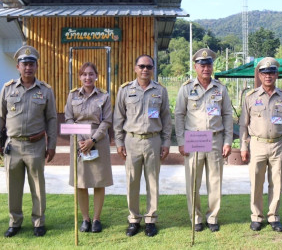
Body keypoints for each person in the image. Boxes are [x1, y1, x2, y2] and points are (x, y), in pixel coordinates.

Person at [0, 45, 57, 238]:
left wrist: (51, 144)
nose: (28, 67)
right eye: (24, 63)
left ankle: (38, 222)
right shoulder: (7, 89)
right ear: (18, 66)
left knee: (38, 185)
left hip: (36, 145)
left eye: (31, 63)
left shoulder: (45, 90)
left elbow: (52, 118)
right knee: (13, 186)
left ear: (36, 66)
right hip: (13, 146)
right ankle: (15, 222)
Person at [174, 48, 233, 232]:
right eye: (202, 65)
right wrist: (181, 141)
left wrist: (228, 141)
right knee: (193, 181)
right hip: (194, 138)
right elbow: (179, 115)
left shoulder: (220, 88)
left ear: (212, 66)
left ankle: (213, 217)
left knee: (215, 181)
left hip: (215, 139)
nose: (206, 68)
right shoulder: (186, 88)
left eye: (208, 64)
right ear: (195, 67)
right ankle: (196, 217)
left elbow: (228, 115)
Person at [113, 54, 172, 237]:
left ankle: (150, 220)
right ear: (135, 68)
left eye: (149, 66)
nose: (145, 69)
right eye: (142, 66)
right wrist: (119, 141)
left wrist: (166, 142)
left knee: (152, 182)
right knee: (132, 181)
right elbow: (118, 118)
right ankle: (133, 219)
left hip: (153, 140)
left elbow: (166, 118)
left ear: (153, 69)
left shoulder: (160, 91)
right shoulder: (125, 90)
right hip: (131, 141)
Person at [239, 57, 282, 232]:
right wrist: (243, 146)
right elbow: (243, 124)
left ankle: (273, 216)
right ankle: (256, 216)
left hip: (279, 145)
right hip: (257, 144)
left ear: (276, 74)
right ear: (259, 75)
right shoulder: (250, 97)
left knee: (276, 182)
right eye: (264, 73)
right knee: (256, 182)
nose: (268, 76)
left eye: (271, 72)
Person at [65, 62, 113, 233]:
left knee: (99, 181)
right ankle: (85, 219)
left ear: (96, 76)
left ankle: (96, 219)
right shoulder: (72, 96)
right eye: (84, 74)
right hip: (78, 141)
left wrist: (92, 140)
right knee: (81, 182)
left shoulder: (104, 96)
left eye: (91, 74)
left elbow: (107, 121)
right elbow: (69, 119)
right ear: (80, 77)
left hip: (98, 141)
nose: (87, 77)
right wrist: (80, 139)